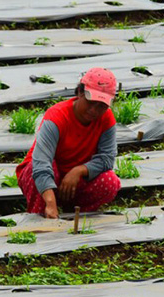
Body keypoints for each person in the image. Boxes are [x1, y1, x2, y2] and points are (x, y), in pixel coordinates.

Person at [16, 67, 120, 219]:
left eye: (101, 106)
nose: (94, 110)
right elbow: (41, 164)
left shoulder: (106, 119)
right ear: (80, 92)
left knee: (110, 181)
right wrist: (50, 202)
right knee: (39, 168)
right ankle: (41, 216)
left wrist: (79, 171)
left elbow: (107, 159)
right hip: (46, 176)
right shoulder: (57, 117)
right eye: (90, 102)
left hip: (75, 182)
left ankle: (76, 215)